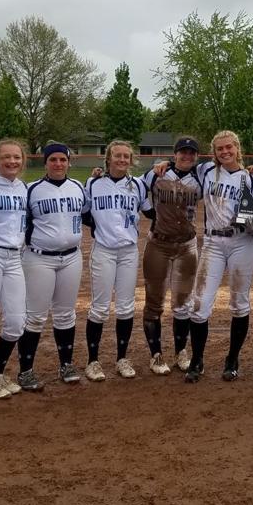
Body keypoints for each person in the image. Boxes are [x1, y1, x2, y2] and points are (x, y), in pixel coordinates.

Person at [184, 130, 253, 383]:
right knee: (199, 306)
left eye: (229, 147)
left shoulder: (249, 179)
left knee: (239, 303)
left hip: (241, 242)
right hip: (213, 242)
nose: (225, 152)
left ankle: (232, 359)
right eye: (219, 149)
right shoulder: (206, 171)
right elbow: (181, 167)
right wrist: (164, 164)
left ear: (238, 148)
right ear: (214, 152)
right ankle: (197, 360)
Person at [14, 143, 86, 389]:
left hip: (72, 257)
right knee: (35, 316)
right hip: (39, 258)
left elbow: (87, 215)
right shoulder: (31, 189)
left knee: (66, 314)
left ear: (68, 162)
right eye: (53, 159)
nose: (58, 164)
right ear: (45, 163)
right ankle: (25, 370)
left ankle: (66, 364)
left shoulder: (78, 187)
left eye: (62, 160)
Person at [83, 140, 148, 381]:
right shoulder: (93, 183)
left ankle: (122, 357)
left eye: (126, 156)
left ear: (131, 160)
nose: (122, 160)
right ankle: (93, 361)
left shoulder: (138, 185)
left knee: (125, 306)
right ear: (108, 159)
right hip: (104, 250)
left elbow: (149, 211)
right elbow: (84, 214)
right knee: (99, 308)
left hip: (129, 251)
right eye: (117, 156)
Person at [141, 137, 203, 374]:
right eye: (182, 152)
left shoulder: (201, 177)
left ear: (196, 156)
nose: (187, 156)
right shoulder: (155, 174)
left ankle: (180, 352)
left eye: (191, 153)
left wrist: (249, 171)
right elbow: (130, 186)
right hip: (158, 244)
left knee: (183, 303)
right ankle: (156, 355)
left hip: (186, 247)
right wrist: (99, 173)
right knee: (154, 302)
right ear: (174, 154)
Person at [0, 138, 28, 395]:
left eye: (17, 157)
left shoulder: (24, 187)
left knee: (16, 322)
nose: (12, 162)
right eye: (6, 157)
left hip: (15, 258)